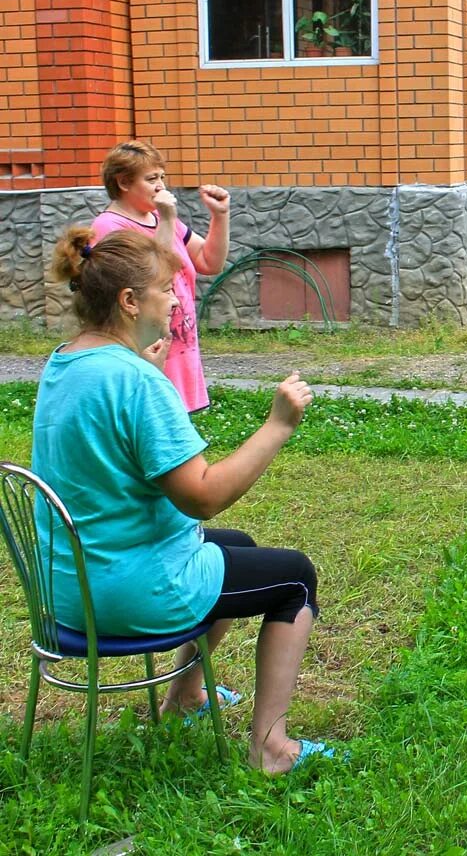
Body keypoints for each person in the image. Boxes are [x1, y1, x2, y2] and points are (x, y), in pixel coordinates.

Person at [32, 227, 329, 773]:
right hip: (126, 593)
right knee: (295, 578)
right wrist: (278, 425)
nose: (176, 297)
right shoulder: (137, 384)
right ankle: (272, 748)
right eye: (168, 287)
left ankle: (185, 696)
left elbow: (113, 434)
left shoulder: (65, 363)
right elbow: (203, 498)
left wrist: (147, 371)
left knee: (236, 547)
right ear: (129, 301)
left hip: (66, 588)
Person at [92, 140, 230, 412]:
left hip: (180, 346)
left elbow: (209, 261)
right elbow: (156, 273)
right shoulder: (109, 226)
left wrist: (220, 216)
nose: (161, 186)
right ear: (123, 182)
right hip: (144, 348)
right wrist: (167, 219)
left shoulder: (159, 217)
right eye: (151, 178)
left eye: (162, 177)